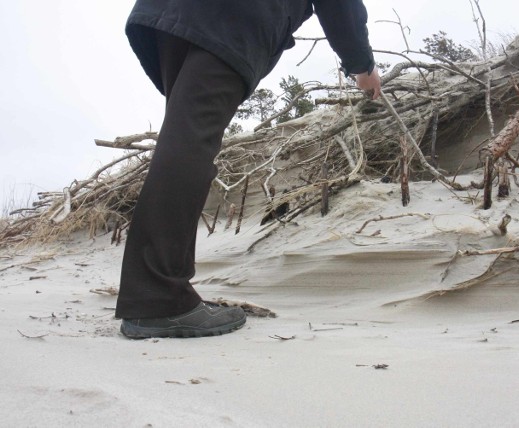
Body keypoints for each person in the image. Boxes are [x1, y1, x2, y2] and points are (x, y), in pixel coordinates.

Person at [116, 0, 382, 339]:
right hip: (234, 16)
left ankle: (162, 293)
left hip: (171, 14)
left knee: (183, 136)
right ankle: (158, 300)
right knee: (191, 140)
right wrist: (363, 65)